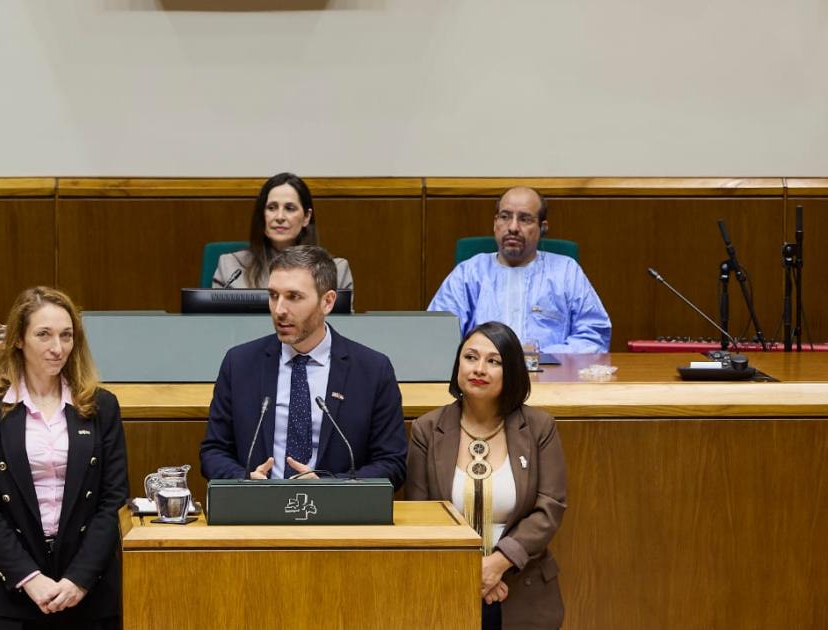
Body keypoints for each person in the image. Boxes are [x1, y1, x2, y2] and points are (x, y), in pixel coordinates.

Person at [0, 287, 128, 629]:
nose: (58, 347)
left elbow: (113, 499)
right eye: (44, 335)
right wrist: (29, 577)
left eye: (66, 335)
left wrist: (79, 578)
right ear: (18, 340)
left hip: (86, 588)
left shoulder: (102, 406)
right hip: (10, 588)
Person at [200, 245, 406, 485]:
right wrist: (245, 480)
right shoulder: (240, 364)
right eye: (273, 295)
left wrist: (328, 486)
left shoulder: (372, 370)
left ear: (327, 302)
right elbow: (213, 452)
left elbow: (392, 463)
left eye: (294, 297)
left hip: (336, 507)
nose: (279, 310)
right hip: (258, 504)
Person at [407, 321, 566, 630]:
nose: (479, 369)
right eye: (470, 357)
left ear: (513, 372)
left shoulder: (539, 428)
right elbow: (421, 515)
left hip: (521, 586)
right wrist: (473, 575)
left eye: (494, 361)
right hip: (446, 585)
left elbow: (550, 508)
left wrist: (497, 564)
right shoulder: (428, 429)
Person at [428, 186, 610, 353]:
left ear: (542, 228)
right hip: (482, 373)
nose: (513, 227)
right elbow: (437, 337)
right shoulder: (468, 272)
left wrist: (541, 356)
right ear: (495, 223)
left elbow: (594, 337)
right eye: (505, 217)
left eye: (525, 219)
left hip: (549, 374)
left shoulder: (566, 272)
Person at [211, 172, 354, 291]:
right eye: (272, 208)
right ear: (262, 215)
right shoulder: (230, 267)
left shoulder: (337, 271)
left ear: (306, 217)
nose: (280, 217)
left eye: (289, 208)